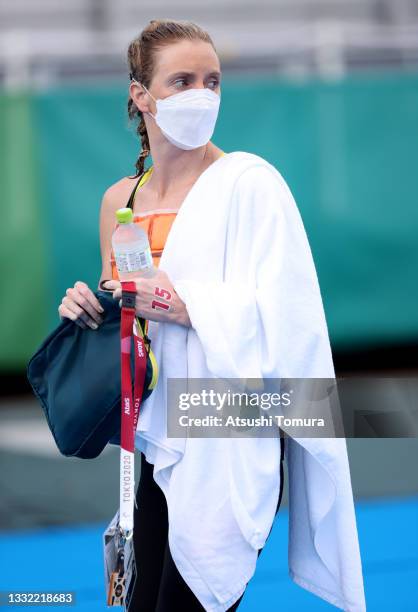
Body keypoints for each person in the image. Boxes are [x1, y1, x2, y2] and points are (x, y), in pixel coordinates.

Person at [59, 19, 366, 612]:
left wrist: (189, 306)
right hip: (155, 434)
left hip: (228, 425)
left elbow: (292, 319)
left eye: (212, 81)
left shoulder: (251, 185)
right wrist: (89, 310)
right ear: (140, 95)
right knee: (141, 603)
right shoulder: (118, 201)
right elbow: (124, 312)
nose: (202, 94)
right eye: (182, 81)